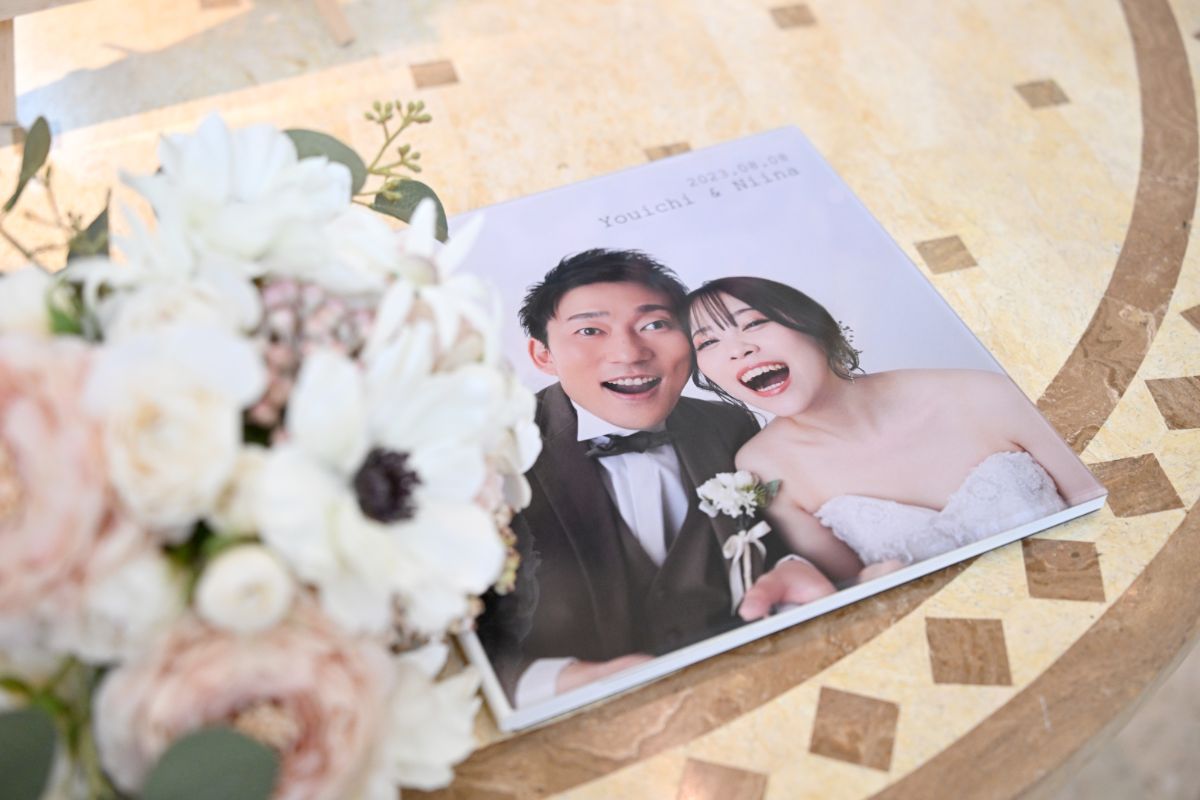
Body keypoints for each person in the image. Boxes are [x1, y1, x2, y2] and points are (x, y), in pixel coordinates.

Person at [476, 252, 833, 707]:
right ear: (543, 354)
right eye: (590, 331)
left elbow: (775, 538)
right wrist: (555, 682)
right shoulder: (486, 454)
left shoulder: (730, 425)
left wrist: (790, 567)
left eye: (655, 324)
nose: (630, 353)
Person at [686, 276, 1104, 619]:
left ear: (813, 325)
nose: (738, 350)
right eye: (706, 343)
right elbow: (857, 597)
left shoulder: (986, 394)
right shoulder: (765, 465)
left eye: (754, 323)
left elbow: (1107, 508)